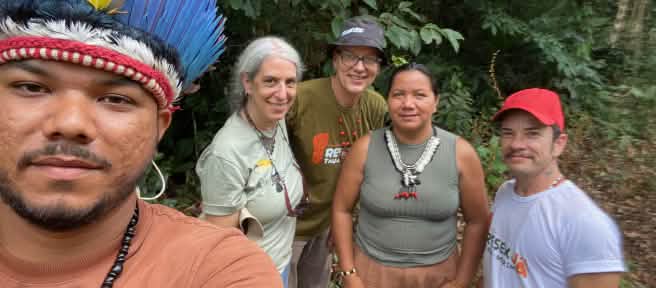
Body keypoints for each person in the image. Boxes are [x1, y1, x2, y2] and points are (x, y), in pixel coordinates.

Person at [0, 1, 281, 287]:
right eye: (31, 87)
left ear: (159, 127)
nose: (71, 124)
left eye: (116, 99)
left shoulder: (218, 268)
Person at [332, 63, 490, 288]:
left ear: (435, 102)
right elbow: (341, 209)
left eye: (420, 95)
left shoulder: (461, 153)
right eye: (398, 95)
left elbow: (478, 221)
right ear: (387, 100)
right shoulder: (365, 148)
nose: (408, 104)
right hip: (371, 273)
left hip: (439, 276)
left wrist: (462, 280)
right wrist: (348, 272)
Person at [482, 88, 625, 287]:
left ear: (558, 143)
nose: (516, 144)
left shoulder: (584, 222)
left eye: (532, 134)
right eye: (508, 133)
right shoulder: (505, 193)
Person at [286, 16, 388, 288]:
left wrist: (343, 224)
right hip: (285, 226)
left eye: (369, 60)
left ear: (378, 67)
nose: (359, 67)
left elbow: (368, 171)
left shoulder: (376, 107)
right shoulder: (300, 98)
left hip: (326, 226)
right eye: (350, 57)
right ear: (335, 60)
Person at [196, 36, 307, 288]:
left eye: (290, 83)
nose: (282, 94)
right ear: (248, 82)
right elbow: (219, 241)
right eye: (270, 81)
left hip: (279, 266)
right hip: (249, 279)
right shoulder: (227, 152)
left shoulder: (275, 121)